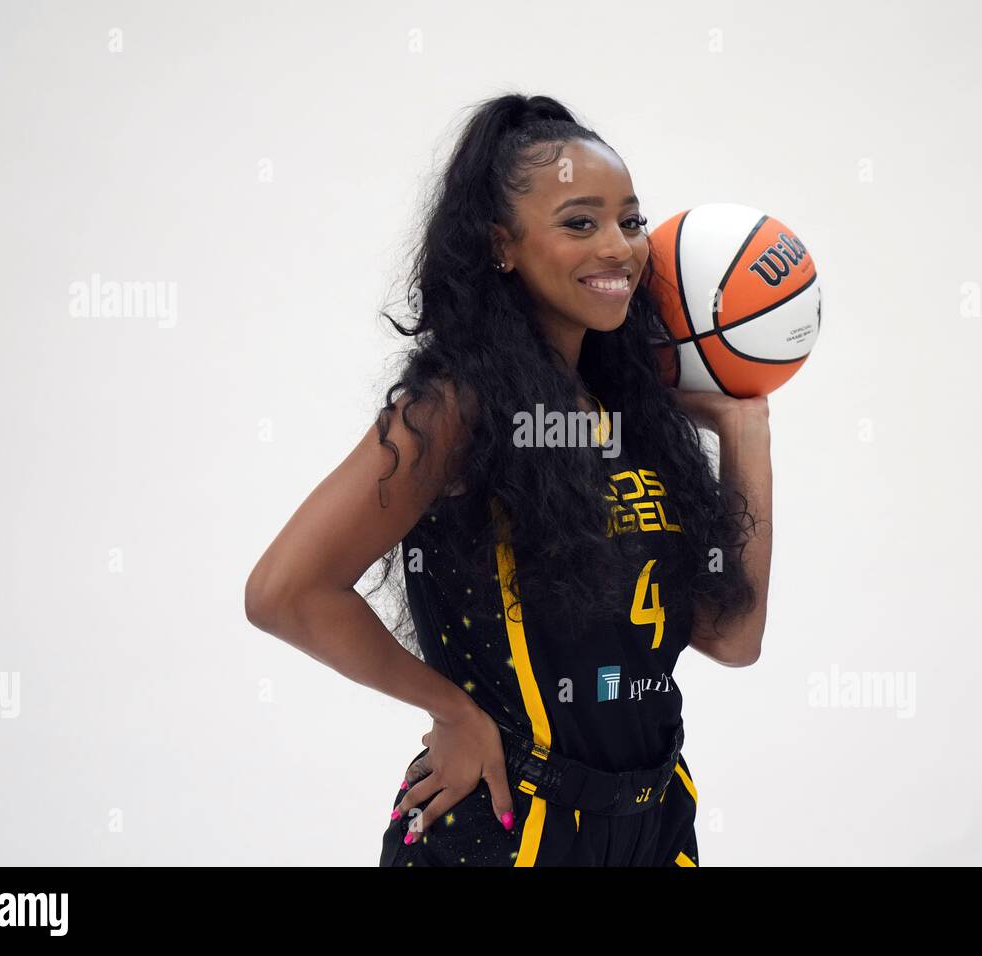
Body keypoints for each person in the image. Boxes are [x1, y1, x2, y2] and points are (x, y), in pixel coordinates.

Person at [244, 92, 773, 866]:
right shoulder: (455, 407)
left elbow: (733, 638)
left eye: (630, 220)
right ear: (502, 244)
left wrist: (746, 432)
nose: (620, 247)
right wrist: (450, 711)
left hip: (654, 828)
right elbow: (284, 591)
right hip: (507, 826)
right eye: (579, 222)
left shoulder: (630, 414)